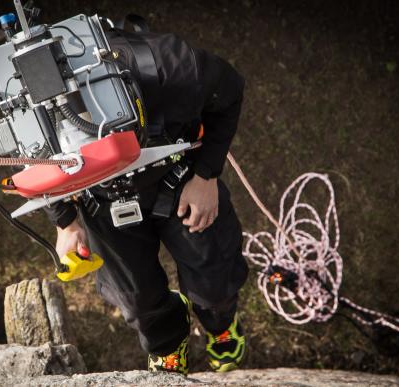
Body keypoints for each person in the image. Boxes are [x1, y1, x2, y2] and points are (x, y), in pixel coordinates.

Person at [45, 27, 248, 375]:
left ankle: (220, 323)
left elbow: (230, 91)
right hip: (103, 197)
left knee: (214, 280)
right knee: (136, 298)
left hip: (178, 174)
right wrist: (65, 220)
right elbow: (30, 159)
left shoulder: (177, 69)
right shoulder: (37, 103)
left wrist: (206, 175)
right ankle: (166, 343)